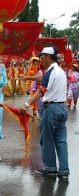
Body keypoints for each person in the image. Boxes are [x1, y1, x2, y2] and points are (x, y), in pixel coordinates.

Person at [19, 46, 69, 182]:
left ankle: (50, 168)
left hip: (51, 110)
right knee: (61, 141)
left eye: (42, 57)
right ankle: (64, 170)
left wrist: (26, 104)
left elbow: (41, 90)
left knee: (46, 139)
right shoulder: (58, 70)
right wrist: (28, 77)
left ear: (48, 57)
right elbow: (43, 78)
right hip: (61, 108)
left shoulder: (51, 71)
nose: (40, 60)